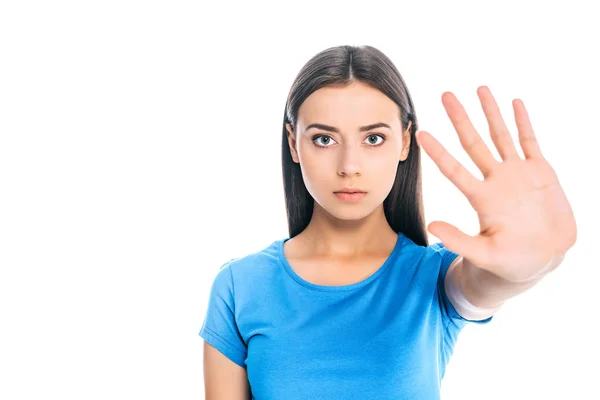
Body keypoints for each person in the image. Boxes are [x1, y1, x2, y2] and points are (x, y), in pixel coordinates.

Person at [199, 45, 577, 399]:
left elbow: (482, 283)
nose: (349, 167)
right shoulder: (239, 286)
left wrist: (527, 266)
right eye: (324, 140)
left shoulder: (434, 280)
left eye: (374, 138)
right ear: (294, 143)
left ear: (404, 142)